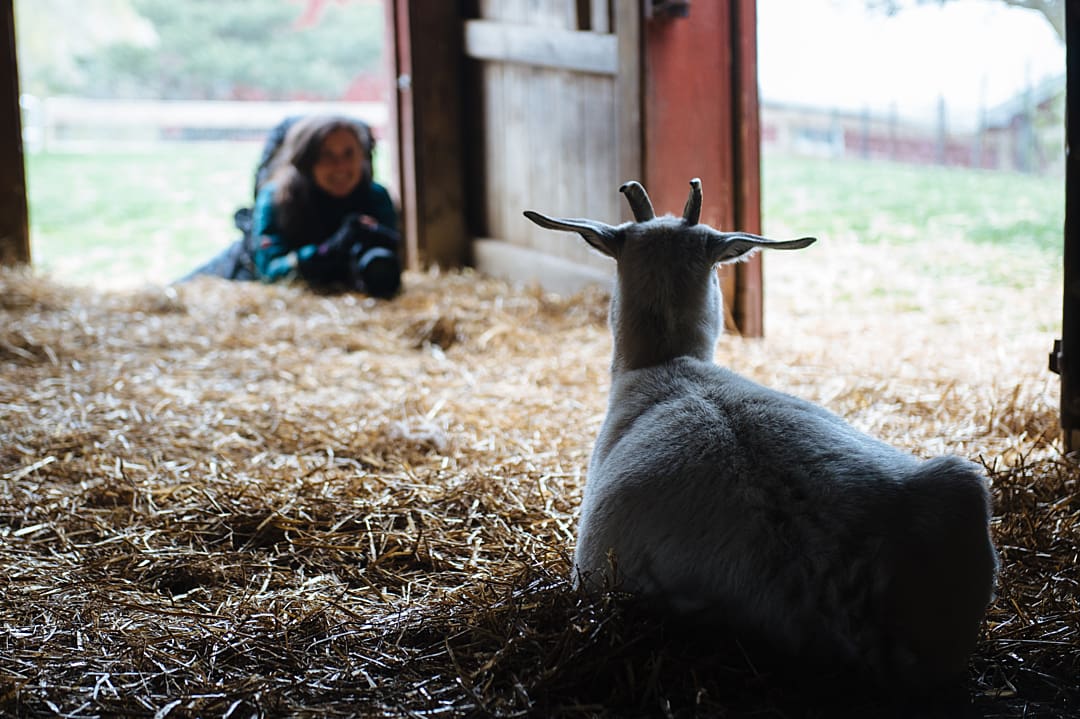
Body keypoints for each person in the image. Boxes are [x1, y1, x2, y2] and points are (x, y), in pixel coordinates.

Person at [181, 115, 402, 297]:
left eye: (348, 154)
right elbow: (270, 272)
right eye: (327, 156)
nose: (340, 166)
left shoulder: (375, 196)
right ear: (306, 161)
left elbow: (386, 262)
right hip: (241, 275)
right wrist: (329, 250)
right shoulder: (277, 197)